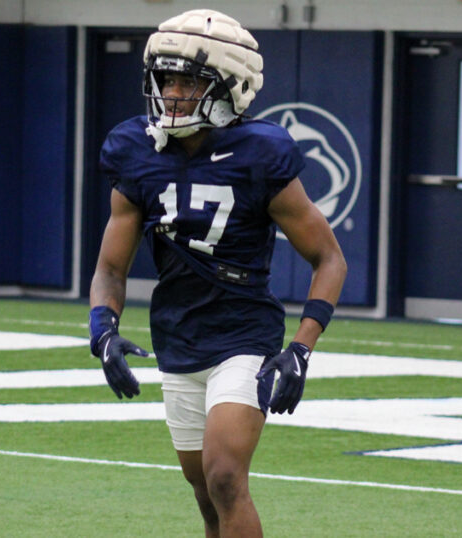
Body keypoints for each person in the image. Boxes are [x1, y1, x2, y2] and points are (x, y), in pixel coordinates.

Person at [88, 9, 346, 537]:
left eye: (188, 80)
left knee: (226, 477)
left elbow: (329, 259)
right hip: (179, 336)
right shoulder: (137, 149)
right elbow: (111, 268)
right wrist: (103, 331)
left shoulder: (261, 153)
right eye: (166, 79)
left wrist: (300, 349)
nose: (173, 92)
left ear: (232, 85)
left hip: (243, 336)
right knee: (207, 497)